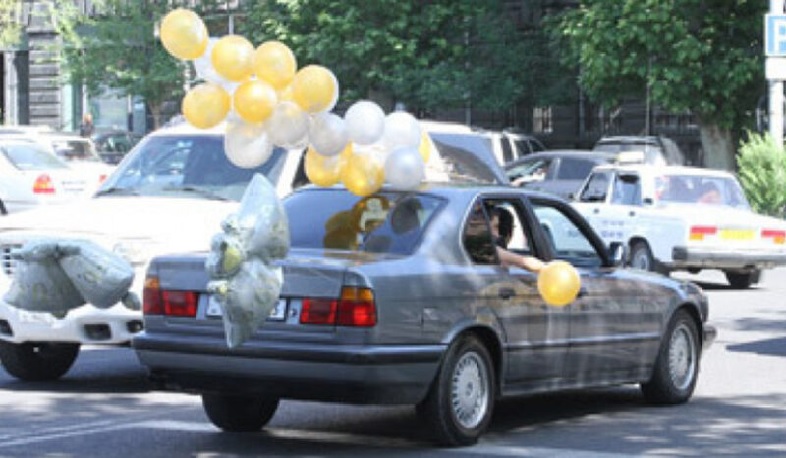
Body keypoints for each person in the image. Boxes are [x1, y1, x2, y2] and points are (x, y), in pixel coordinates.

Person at [490, 207, 544, 273]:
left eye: (497, 227)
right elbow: (524, 262)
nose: (496, 234)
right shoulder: (490, 250)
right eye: (495, 227)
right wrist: (545, 267)